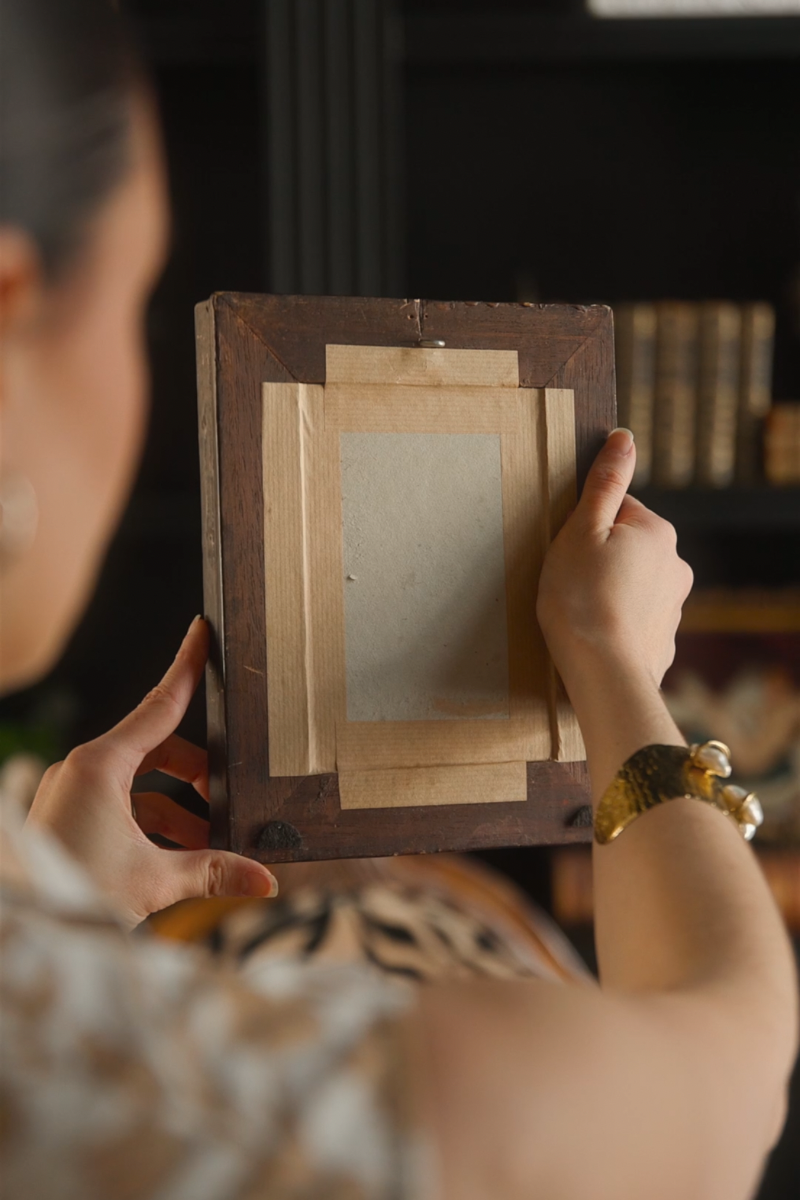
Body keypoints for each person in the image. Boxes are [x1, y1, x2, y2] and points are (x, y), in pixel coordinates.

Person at [0, 3, 796, 1198]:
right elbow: (725, 1083)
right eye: (137, 302)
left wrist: (48, 902)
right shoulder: (157, 1074)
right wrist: (611, 664)